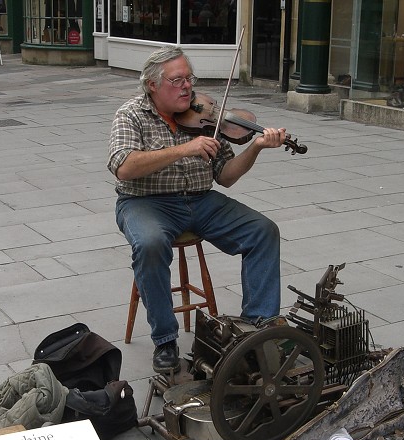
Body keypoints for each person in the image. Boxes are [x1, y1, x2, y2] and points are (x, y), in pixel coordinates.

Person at [108, 46, 286, 372]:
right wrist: (183, 149)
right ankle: (165, 340)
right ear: (152, 85)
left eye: (189, 78)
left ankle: (257, 327)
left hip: (201, 200)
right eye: (177, 80)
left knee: (263, 231)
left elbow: (226, 176)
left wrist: (257, 147)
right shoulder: (130, 114)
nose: (187, 87)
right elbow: (124, 167)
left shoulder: (205, 117)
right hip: (145, 202)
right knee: (150, 244)